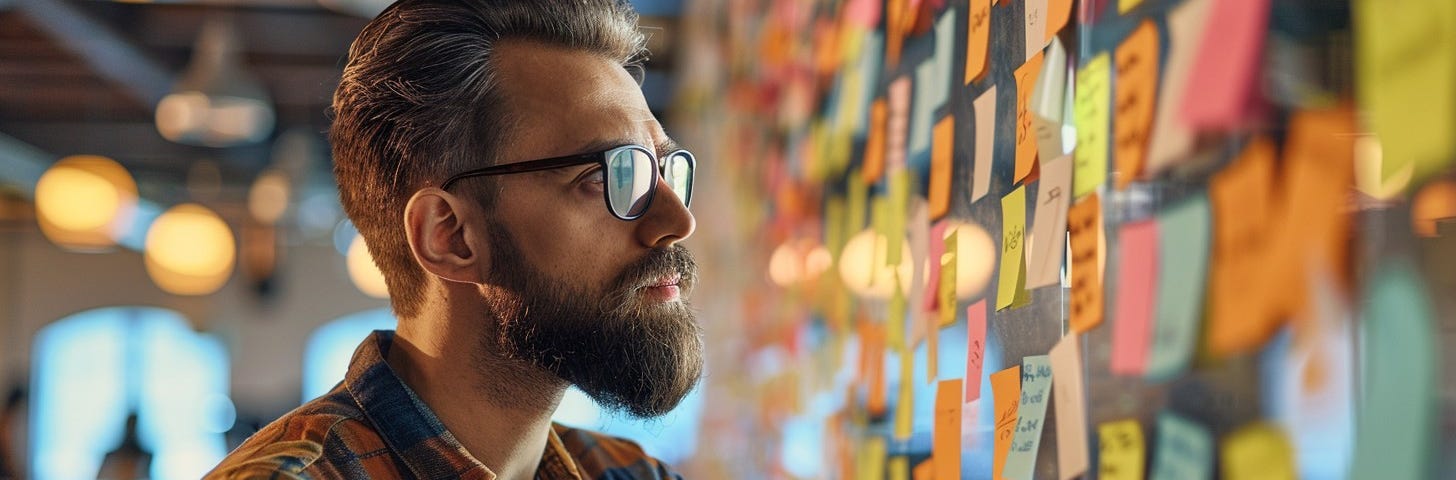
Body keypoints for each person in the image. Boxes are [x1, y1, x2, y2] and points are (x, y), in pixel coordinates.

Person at [207, 0, 701, 478]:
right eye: (610, 176)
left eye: (661, 169)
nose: (678, 221)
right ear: (450, 235)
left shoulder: (631, 473)